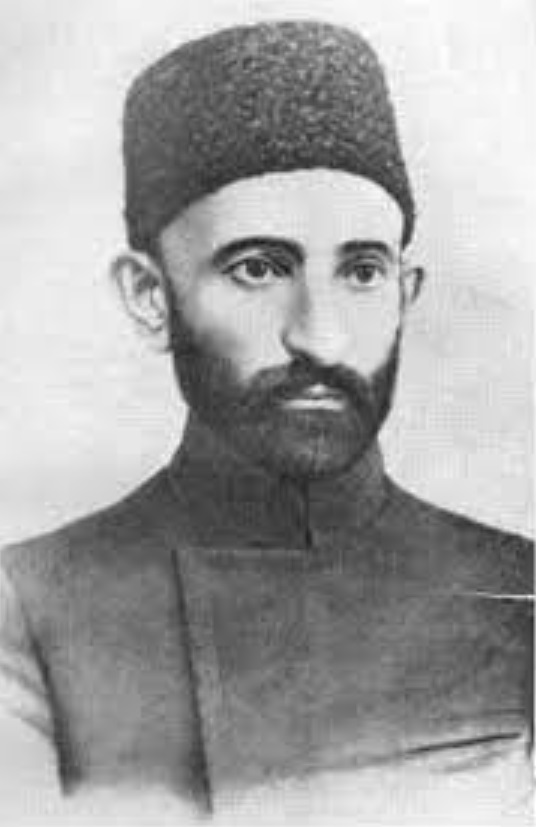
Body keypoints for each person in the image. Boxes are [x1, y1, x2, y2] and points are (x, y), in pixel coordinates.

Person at [0, 19, 533, 824]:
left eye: (362, 271)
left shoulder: (524, 593)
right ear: (150, 297)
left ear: (405, 293)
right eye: (258, 268)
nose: (321, 335)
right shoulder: (32, 610)